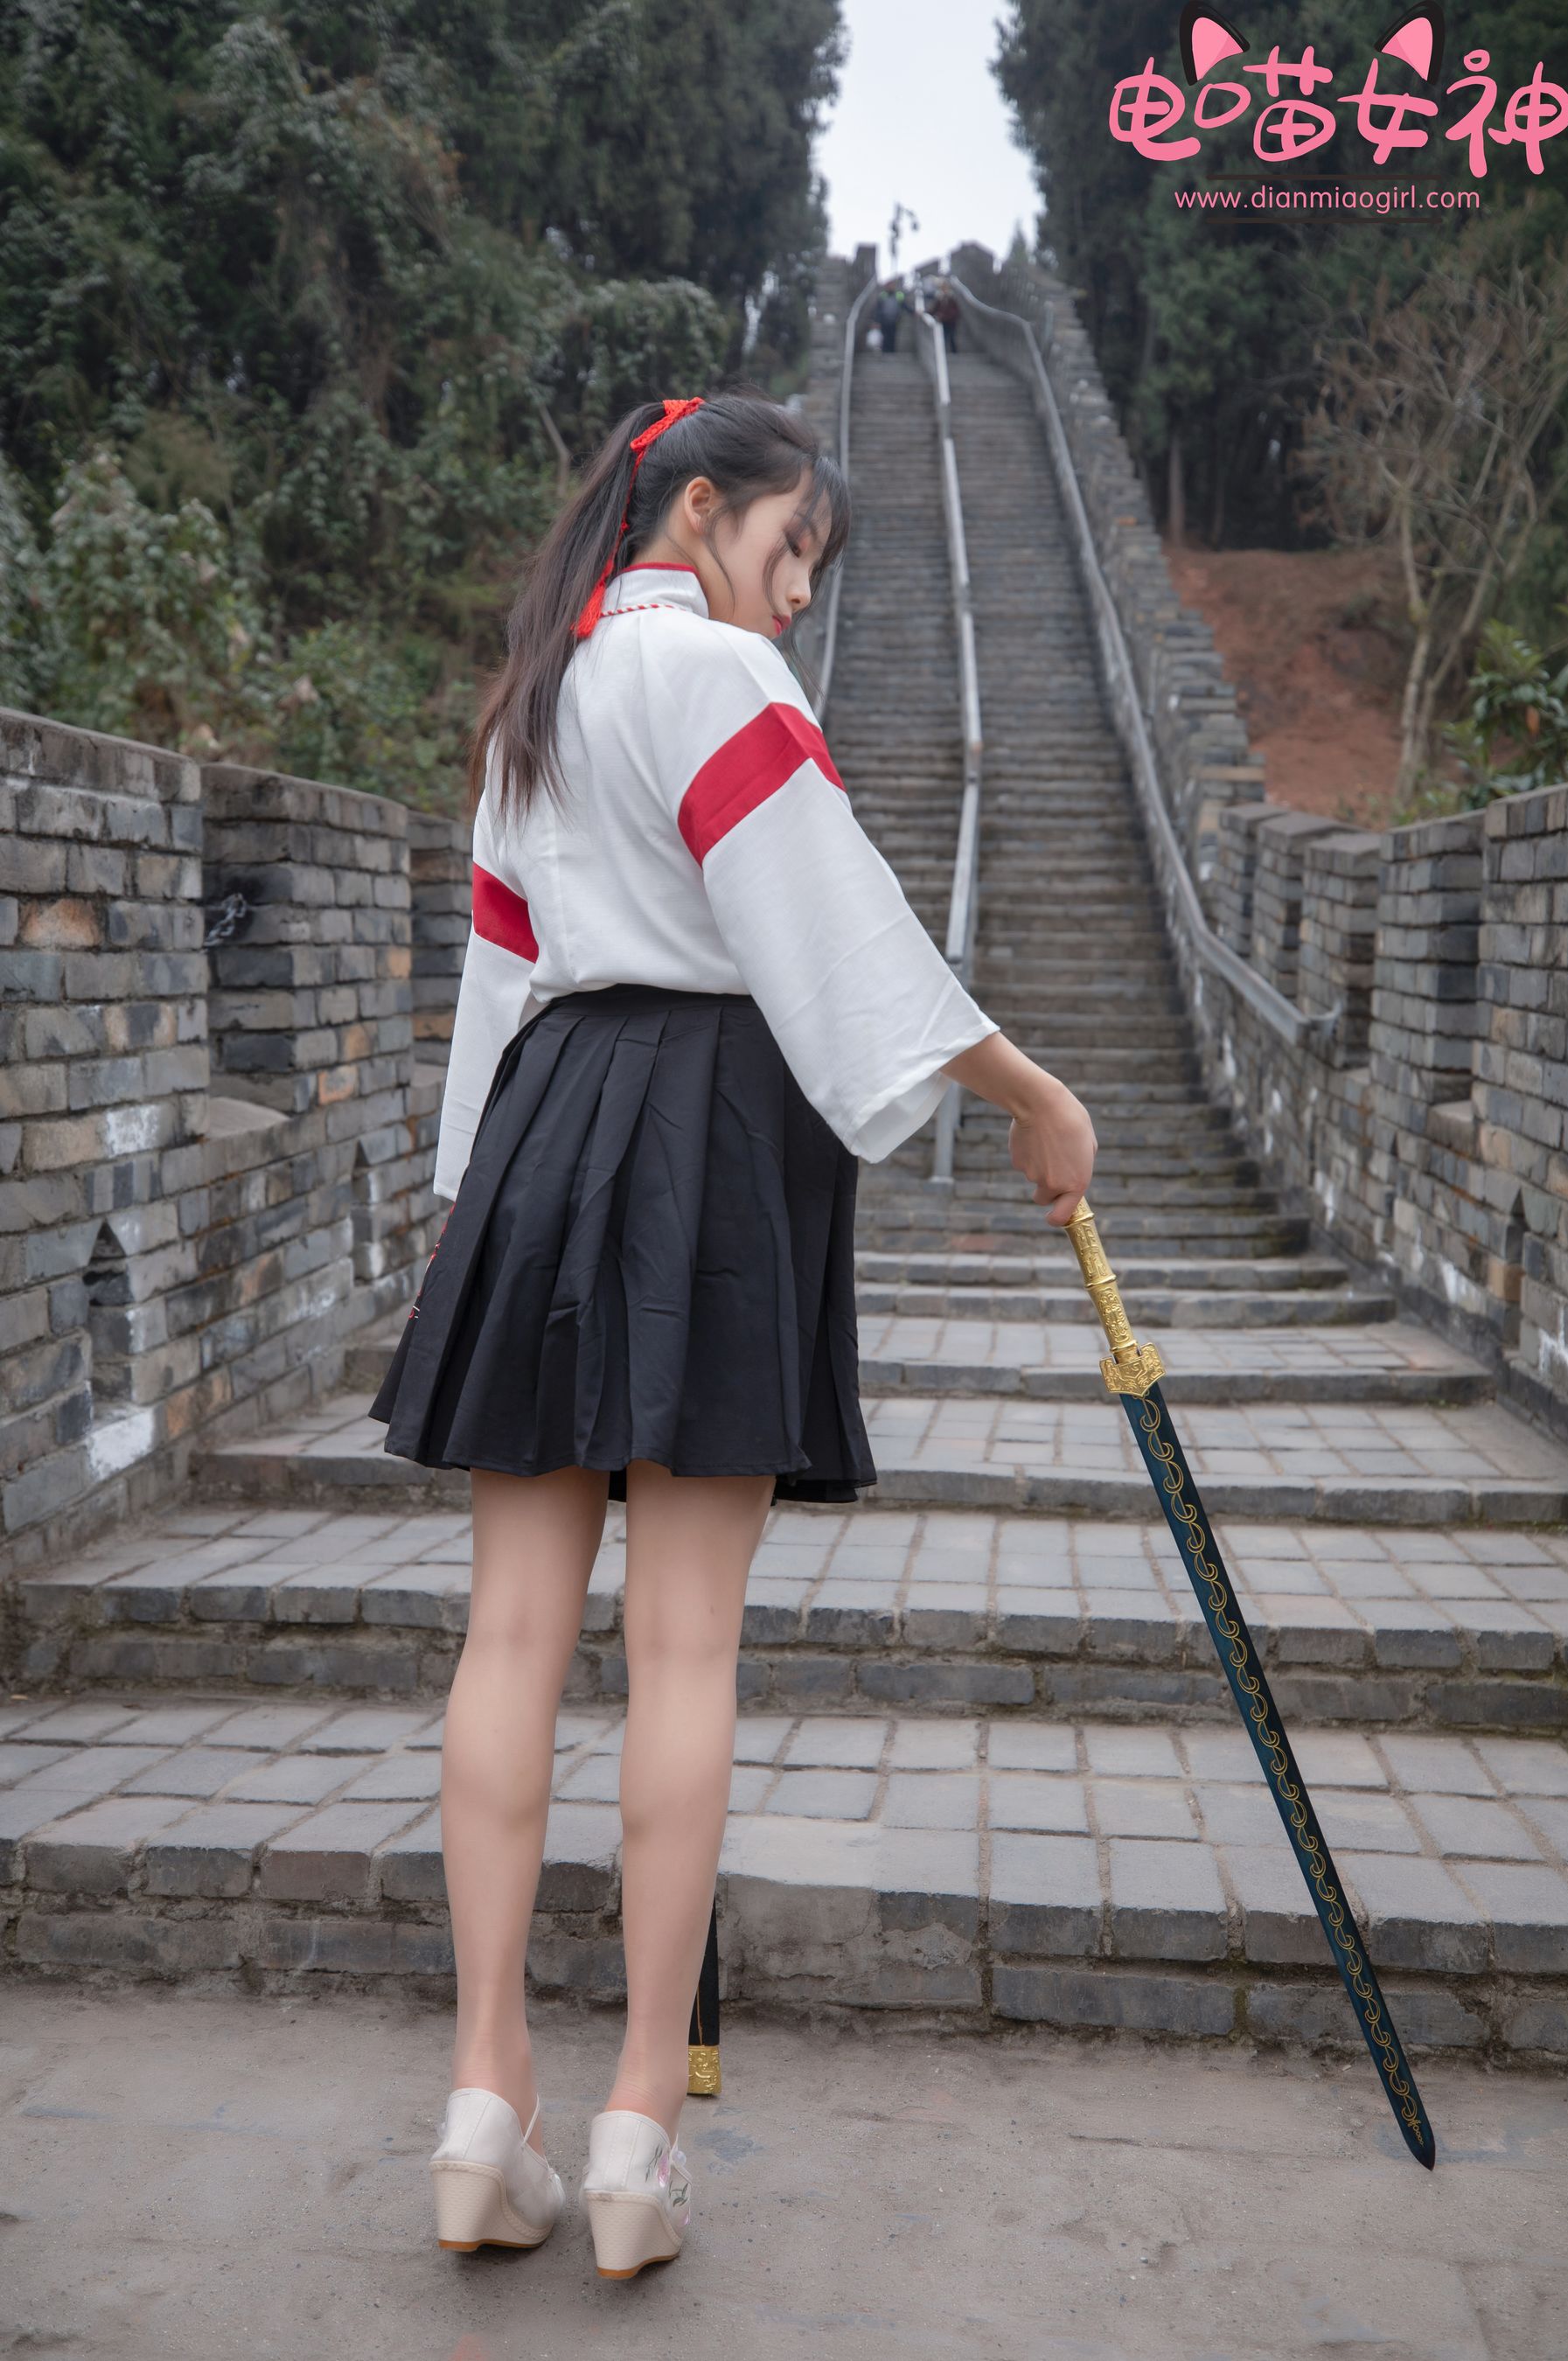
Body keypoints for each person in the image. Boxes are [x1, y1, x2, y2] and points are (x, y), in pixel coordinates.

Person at [369, 389, 1098, 2281]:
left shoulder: (532, 704)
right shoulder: (719, 679)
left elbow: (500, 984)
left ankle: (481, 2103)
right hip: (707, 1140)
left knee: (509, 1635)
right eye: (791, 552)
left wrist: (467, 1219)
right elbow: (832, 929)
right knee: (686, 1645)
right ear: (700, 512)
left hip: (540, 1137)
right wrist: (1030, 1092)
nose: (795, 598)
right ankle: (638, 2127)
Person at [930, 276, 961, 356]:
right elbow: (935, 309)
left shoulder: (952, 298)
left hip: (951, 321)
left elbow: (955, 310)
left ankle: (954, 352)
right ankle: (944, 353)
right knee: (944, 336)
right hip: (943, 321)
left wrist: (945, 316)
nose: (944, 289)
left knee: (951, 336)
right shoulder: (940, 298)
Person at [875, 279, 902, 354]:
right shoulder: (882, 295)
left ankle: (891, 352)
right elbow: (878, 309)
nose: (891, 287)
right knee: (885, 336)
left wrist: (913, 312)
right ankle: (885, 351)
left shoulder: (899, 295)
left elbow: (904, 305)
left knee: (892, 336)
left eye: (892, 285)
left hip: (894, 320)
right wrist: (877, 321)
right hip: (884, 320)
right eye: (889, 285)